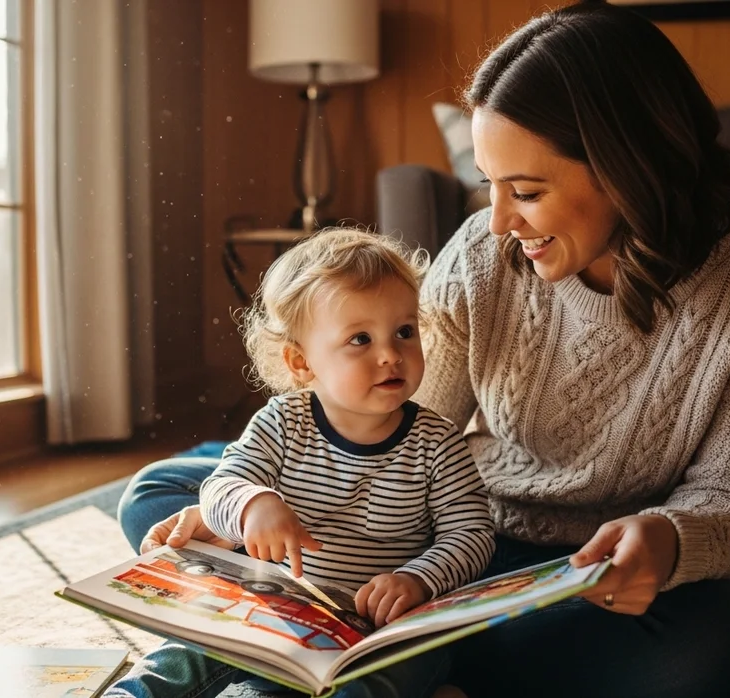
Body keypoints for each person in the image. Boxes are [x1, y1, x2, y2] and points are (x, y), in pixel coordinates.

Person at [118, 2, 730, 696]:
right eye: (489, 185)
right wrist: (242, 513)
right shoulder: (485, 258)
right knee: (158, 497)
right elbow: (398, 430)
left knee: (703, 652)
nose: (498, 222)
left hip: (568, 572)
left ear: (628, 168)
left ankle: (385, 640)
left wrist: (669, 540)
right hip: (436, 523)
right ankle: (403, 644)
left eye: (525, 190)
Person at [105, 228, 496, 698]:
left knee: (376, 682)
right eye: (360, 339)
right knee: (185, 653)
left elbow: (472, 534)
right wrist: (253, 504)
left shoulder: (438, 442)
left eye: (404, 332)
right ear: (301, 362)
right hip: (277, 608)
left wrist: (417, 578)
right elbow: (222, 484)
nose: (391, 354)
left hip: (381, 632)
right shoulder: (283, 422)